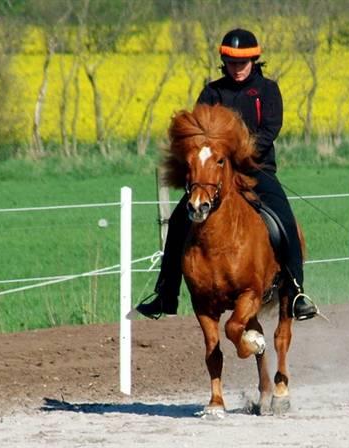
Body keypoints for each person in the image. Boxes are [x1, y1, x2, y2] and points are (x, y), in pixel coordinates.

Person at [136, 28, 318, 321]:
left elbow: (269, 130)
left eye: (242, 64)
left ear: (254, 60)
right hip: (214, 175)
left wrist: (237, 154)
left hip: (257, 171)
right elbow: (198, 133)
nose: (237, 69)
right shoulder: (212, 92)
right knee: (180, 221)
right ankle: (166, 293)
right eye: (231, 64)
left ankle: (297, 291)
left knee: (284, 219)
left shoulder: (268, 90)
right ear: (224, 62)